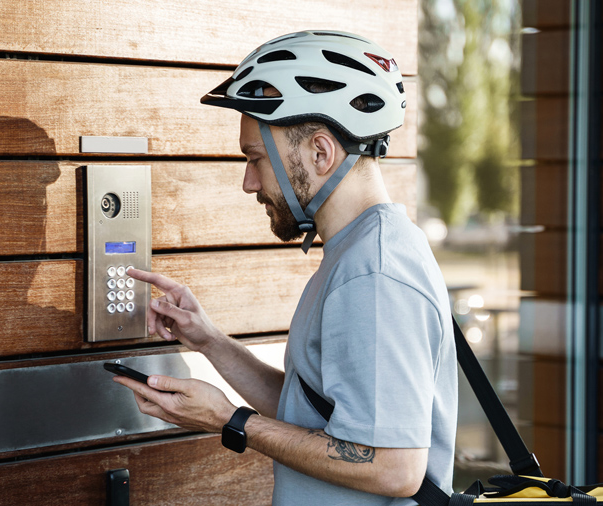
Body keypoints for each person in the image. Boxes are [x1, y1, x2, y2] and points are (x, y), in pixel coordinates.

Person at [115, 31, 458, 505]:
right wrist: (210, 342)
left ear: (321, 153)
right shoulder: (358, 253)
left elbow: (393, 466)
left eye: (256, 158)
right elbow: (321, 417)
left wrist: (229, 421)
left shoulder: (373, 272)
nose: (248, 182)